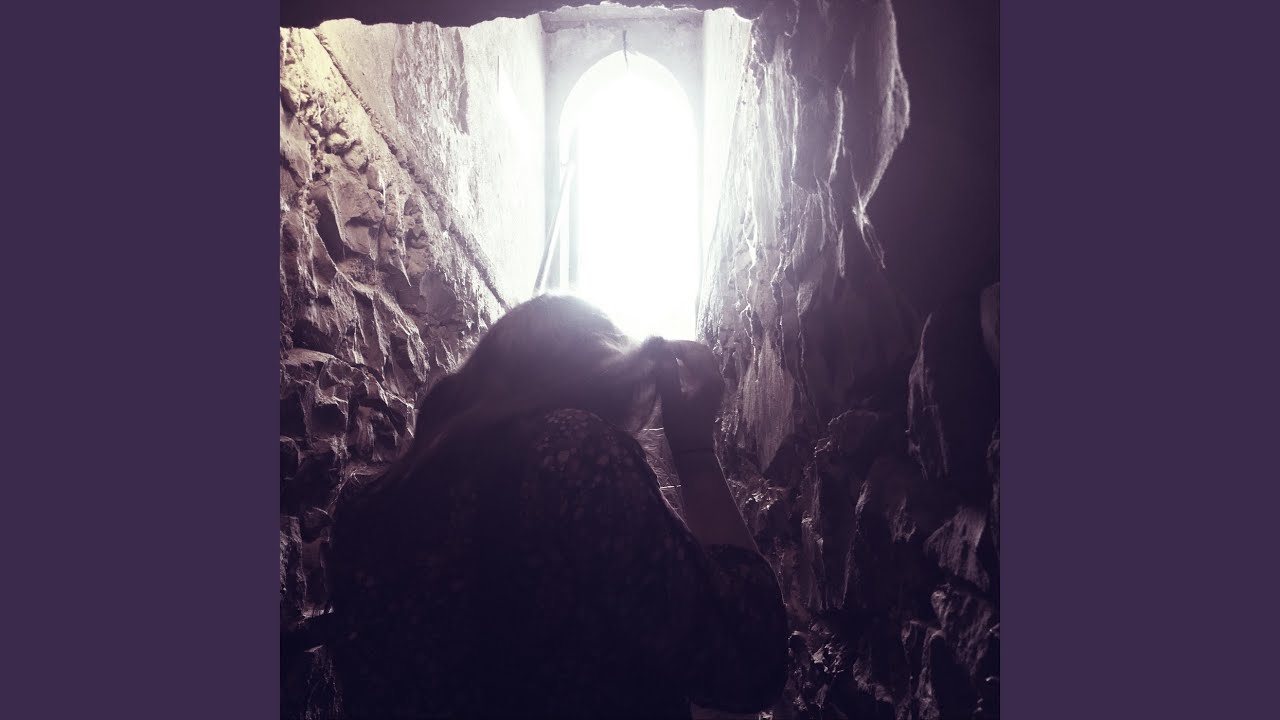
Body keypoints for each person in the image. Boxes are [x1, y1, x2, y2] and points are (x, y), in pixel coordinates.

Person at [327, 294, 788, 719]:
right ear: (599, 373)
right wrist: (695, 454)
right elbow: (748, 660)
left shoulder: (369, 502)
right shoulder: (575, 449)